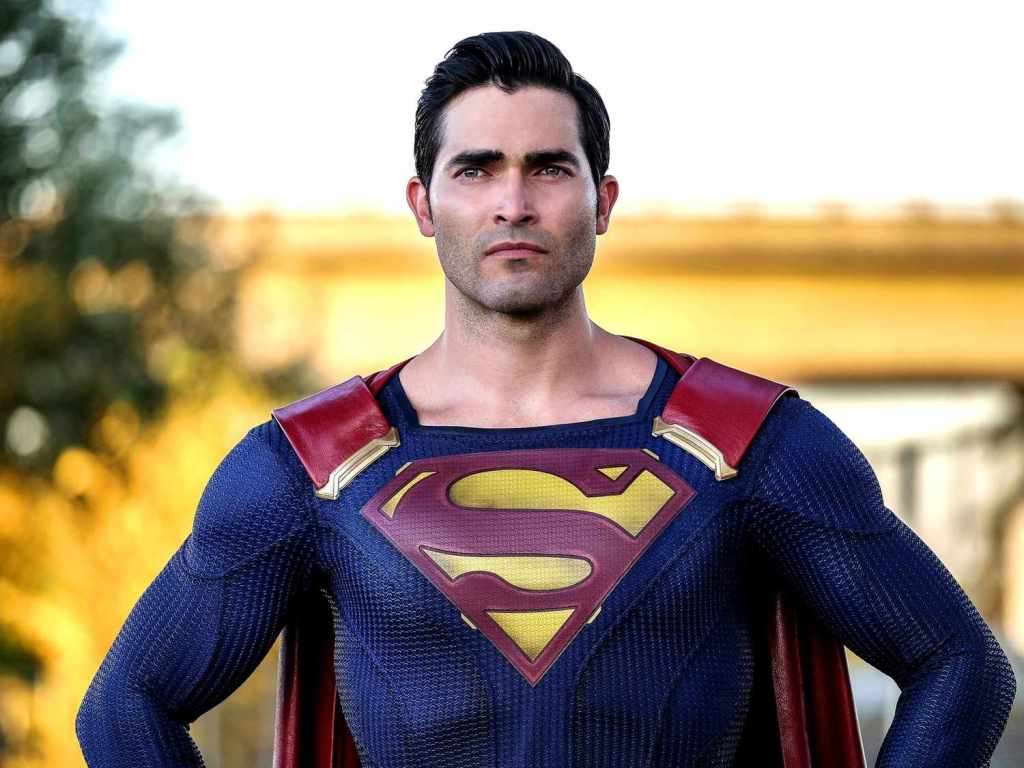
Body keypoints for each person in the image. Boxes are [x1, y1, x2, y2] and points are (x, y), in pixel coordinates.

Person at [76, 30, 1016, 767]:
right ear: (422, 204)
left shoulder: (745, 444)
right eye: (476, 168)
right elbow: (125, 707)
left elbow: (962, 666)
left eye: (548, 168)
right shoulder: (312, 467)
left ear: (603, 200)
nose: (513, 203)